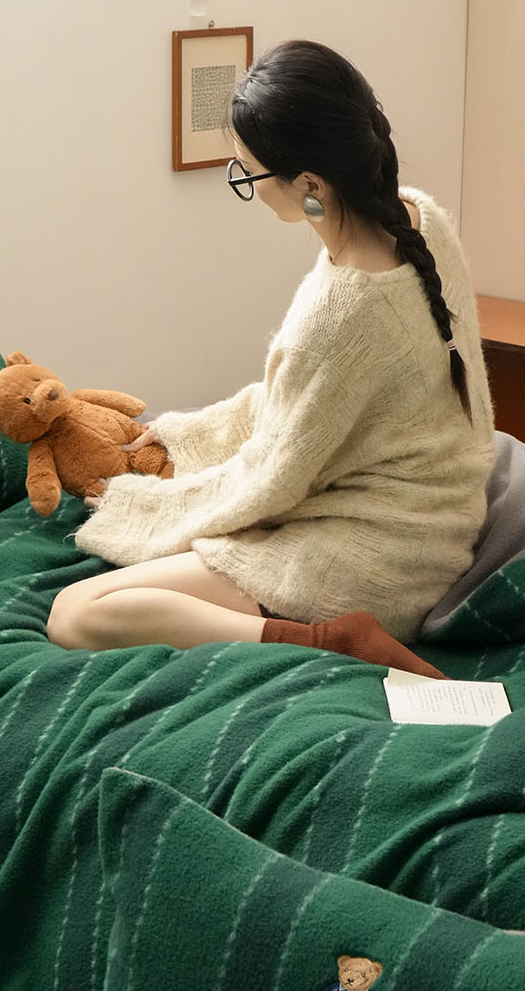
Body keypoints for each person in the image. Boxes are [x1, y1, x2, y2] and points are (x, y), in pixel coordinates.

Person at [46, 39, 495, 676]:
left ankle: (333, 641)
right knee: (98, 597)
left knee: (76, 612)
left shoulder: (340, 312)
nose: (247, 186)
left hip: (378, 561)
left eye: (248, 174)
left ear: (309, 184)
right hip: (439, 520)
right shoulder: (420, 218)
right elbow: (322, 402)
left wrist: (143, 503)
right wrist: (189, 433)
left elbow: (270, 478)